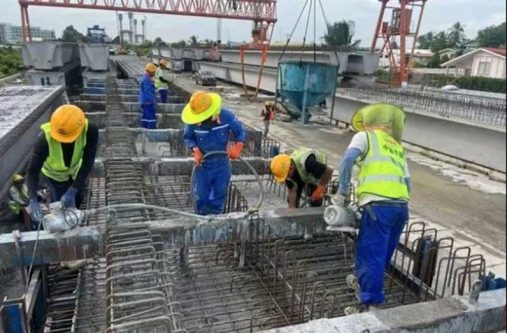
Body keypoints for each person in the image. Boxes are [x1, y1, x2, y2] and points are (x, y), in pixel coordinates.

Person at [337, 103, 410, 314]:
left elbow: (348, 159)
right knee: (382, 255)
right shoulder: (395, 145)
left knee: (371, 255)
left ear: (368, 123)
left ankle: (371, 310)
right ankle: (363, 286)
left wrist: (342, 190)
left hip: (378, 207)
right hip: (401, 208)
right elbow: (408, 181)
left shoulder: (365, 136)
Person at [26, 104, 99, 228]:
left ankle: (77, 217)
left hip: (76, 171)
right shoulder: (44, 140)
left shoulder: (90, 130)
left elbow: (88, 161)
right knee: (60, 206)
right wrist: (32, 199)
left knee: (78, 196)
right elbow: (32, 170)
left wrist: (74, 189)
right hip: (55, 177)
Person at [182, 91, 247, 215]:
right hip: (203, 165)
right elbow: (188, 137)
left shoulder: (226, 116)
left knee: (219, 195)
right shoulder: (192, 122)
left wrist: (238, 146)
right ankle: (200, 217)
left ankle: (216, 219)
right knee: (200, 196)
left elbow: (241, 132)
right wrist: (195, 150)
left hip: (221, 164)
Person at [140, 63, 157, 129]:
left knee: (145, 116)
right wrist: (152, 101)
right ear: (149, 71)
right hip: (148, 102)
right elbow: (148, 92)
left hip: (144, 101)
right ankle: (152, 130)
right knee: (151, 116)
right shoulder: (146, 80)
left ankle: (144, 128)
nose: (154, 73)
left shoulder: (146, 78)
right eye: (153, 72)